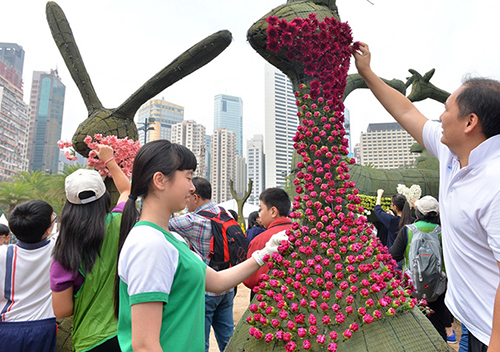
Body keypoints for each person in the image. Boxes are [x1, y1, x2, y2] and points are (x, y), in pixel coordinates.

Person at [353, 42, 500, 351]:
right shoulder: (451, 153)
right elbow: (405, 110)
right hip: (476, 324)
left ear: (470, 123)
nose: (439, 117)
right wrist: (367, 73)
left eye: (446, 110)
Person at [115, 140, 287, 352]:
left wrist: (264, 254)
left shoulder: (170, 239)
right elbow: (144, 345)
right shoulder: (149, 244)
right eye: (187, 177)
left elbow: (216, 281)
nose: (192, 186)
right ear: (160, 180)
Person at [50, 145, 130, 352]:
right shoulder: (120, 222)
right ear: (105, 198)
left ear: (68, 206)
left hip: (91, 340)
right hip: (126, 333)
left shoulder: (66, 248)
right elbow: (127, 190)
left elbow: (62, 310)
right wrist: (109, 160)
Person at [168, 177, 236, 352]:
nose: (186, 201)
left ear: (195, 197)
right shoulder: (224, 213)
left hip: (206, 290)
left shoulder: (192, 220)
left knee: (200, 341)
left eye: (188, 196)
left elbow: (159, 222)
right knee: (228, 337)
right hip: (227, 287)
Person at [389, 195, 452, 342]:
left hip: (411, 288)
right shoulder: (444, 232)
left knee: (412, 330)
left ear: (418, 213)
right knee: (437, 329)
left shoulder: (407, 230)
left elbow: (392, 256)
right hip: (439, 289)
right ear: (437, 214)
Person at [1, 200, 57, 352]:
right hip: (44, 326)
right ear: (47, 230)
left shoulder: (3, 254)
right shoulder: (58, 248)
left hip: (7, 327)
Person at [244, 188, 292, 292]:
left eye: (261, 209)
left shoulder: (260, 240)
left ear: (273, 211)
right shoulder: (300, 234)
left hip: (268, 299)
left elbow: (249, 280)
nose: (259, 214)